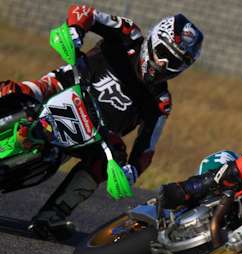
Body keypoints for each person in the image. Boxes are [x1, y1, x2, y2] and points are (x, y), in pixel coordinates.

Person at [0, 4, 203, 240]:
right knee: (15, 91)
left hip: (92, 135)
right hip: (64, 86)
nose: (165, 65)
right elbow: (86, 12)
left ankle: (51, 216)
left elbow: (146, 149)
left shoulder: (160, 102)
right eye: (165, 53)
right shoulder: (128, 34)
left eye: (176, 62)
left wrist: (131, 171)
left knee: (105, 162)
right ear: (154, 40)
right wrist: (76, 30)